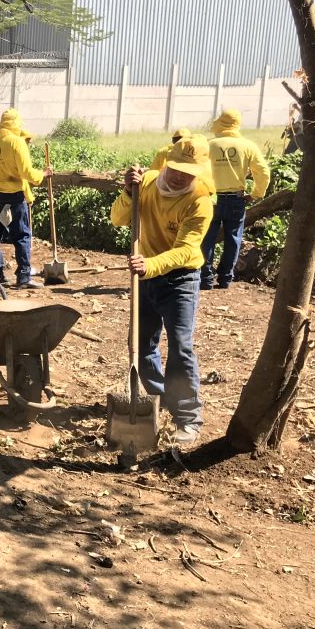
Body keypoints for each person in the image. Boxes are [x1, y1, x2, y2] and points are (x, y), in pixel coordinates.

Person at [110, 135, 214, 445]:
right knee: (141, 346)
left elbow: (185, 250)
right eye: (176, 167)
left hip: (180, 279)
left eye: (188, 171)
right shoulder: (148, 183)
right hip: (146, 277)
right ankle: (157, 400)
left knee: (181, 346)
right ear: (167, 162)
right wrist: (129, 192)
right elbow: (118, 219)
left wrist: (150, 265)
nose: (180, 175)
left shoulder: (199, 200)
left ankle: (188, 417)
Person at [0, 109, 50, 287]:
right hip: (14, 197)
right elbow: (26, 173)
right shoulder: (17, 142)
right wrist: (42, 174)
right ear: (16, 123)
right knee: (22, 236)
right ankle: (24, 277)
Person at [200, 109, 270, 290]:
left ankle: (205, 279)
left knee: (206, 238)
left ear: (220, 122)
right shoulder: (248, 146)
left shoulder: (208, 145)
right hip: (236, 199)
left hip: (210, 198)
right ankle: (225, 279)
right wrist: (256, 194)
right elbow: (263, 172)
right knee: (233, 239)